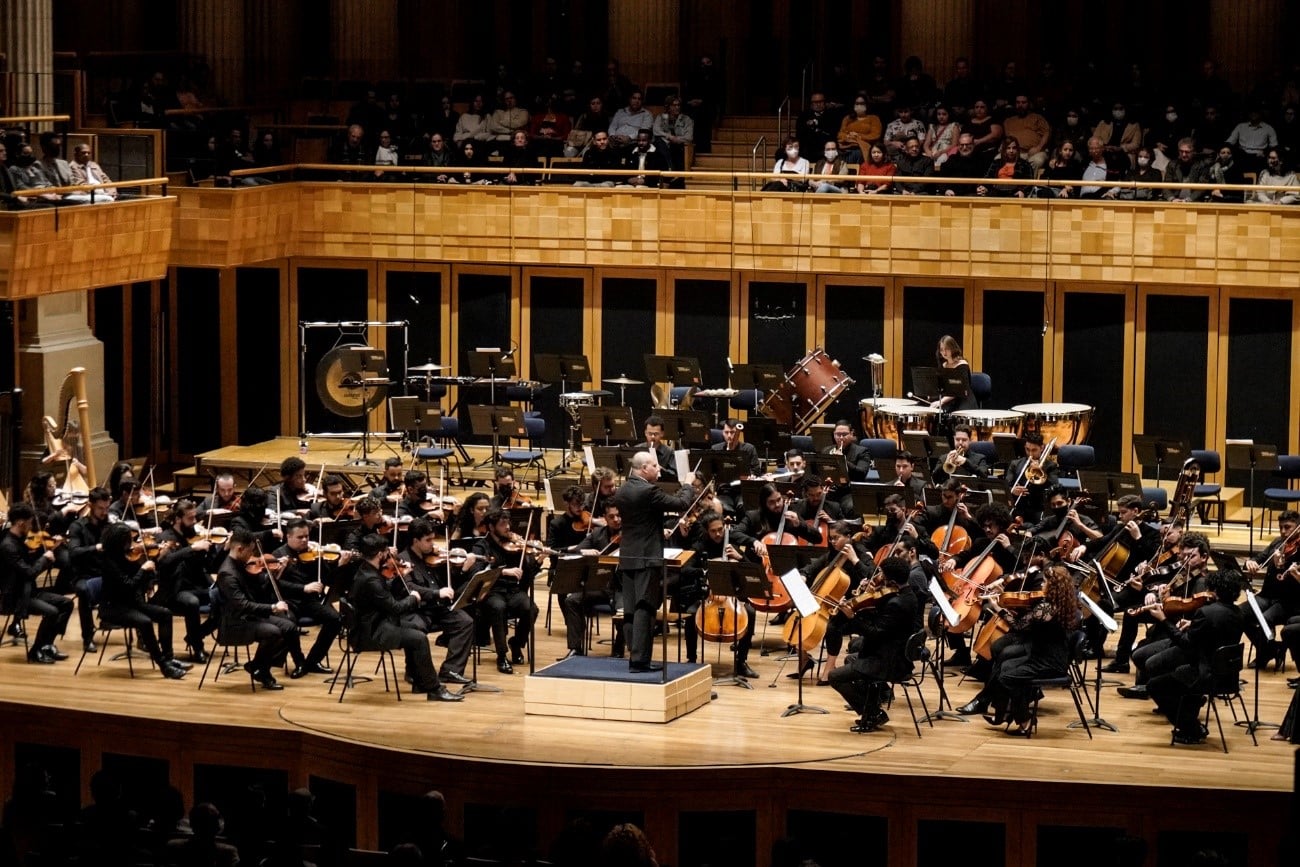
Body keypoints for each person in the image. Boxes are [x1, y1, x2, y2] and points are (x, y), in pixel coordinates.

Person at [347, 533, 463, 702]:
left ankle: (419, 682)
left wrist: (398, 578)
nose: (389, 555)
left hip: (373, 623)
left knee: (414, 630)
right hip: (371, 632)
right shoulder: (370, 580)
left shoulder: (366, 570)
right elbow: (395, 608)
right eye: (386, 551)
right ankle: (435, 689)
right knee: (418, 638)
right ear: (380, 554)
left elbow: (383, 592)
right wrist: (414, 598)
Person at [611, 451, 697, 672]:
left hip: (628, 554)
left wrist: (659, 531)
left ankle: (634, 653)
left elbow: (641, 521)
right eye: (655, 467)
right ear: (643, 469)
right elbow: (682, 503)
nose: (659, 470)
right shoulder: (648, 491)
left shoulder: (622, 490)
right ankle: (640, 661)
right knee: (645, 607)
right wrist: (687, 483)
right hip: (647, 558)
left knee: (630, 608)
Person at [981, 563, 1080, 736]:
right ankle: (1010, 712)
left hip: (1047, 662)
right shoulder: (1062, 605)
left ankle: (1024, 720)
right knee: (1005, 666)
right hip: (1050, 656)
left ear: (1053, 586)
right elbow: (1030, 623)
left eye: (1045, 582)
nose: (1042, 585)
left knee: (1006, 676)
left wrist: (998, 609)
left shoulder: (1046, 608)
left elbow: (1019, 627)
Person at [1147, 571, 1245, 744]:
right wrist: (1194, 625)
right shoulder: (1238, 612)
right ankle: (1192, 713)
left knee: (1155, 685)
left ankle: (1191, 728)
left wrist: (1164, 620)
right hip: (1228, 675)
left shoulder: (1205, 612)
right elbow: (1216, 631)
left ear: (1215, 591)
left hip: (1205, 675)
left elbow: (1185, 644)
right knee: (1178, 671)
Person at [829, 555, 919, 733]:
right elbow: (883, 623)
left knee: (834, 677)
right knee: (850, 659)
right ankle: (872, 703)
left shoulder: (897, 603)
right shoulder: (907, 594)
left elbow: (875, 633)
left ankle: (872, 713)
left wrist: (853, 616)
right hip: (894, 652)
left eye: (882, 575)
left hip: (889, 661)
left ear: (891, 580)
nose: (879, 577)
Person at [98, 523, 189, 679]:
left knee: (165, 614)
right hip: (113, 607)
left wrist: (149, 569)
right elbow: (128, 586)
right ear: (120, 542)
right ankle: (163, 665)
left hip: (131, 603)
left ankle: (169, 658)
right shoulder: (109, 562)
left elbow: (138, 581)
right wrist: (142, 570)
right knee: (145, 622)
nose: (133, 544)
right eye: (129, 541)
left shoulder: (127, 555)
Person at [462, 508, 540, 673]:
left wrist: (535, 560)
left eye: (508, 522)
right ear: (491, 527)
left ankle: (517, 644)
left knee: (531, 609)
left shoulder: (514, 544)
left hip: (512, 590)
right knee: (498, 608)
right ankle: (502, 655)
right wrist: (503, 571)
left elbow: (526, 573)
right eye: (502, 524)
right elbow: (477, 572)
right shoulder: (481, 546)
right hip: (491, 591)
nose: (508, 527)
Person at [397, 518, 475, 684]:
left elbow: (449, 583)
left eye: (433, 539)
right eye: (428, 540)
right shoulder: (403, 560)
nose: (432, 544)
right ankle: (412, 669)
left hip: (438, 608)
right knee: (415, 629)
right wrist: (436, 593)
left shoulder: (434, 557)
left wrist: (462, 569)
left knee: (465, 622)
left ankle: (451, 671)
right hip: (418, 609)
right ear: (415, 541)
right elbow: (409, 587)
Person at [272, 518, 345, 678]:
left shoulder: (313, 553)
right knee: (289, 625)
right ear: (288, 536)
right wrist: (303, 587)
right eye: (300, 537)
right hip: (288, 601)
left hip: (309, 601)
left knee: (335, 619)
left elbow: (327, 578)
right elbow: (276, 584)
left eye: (306, 536)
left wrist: (337, 564)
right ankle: (299, 662)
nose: (305, 540)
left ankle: (313, 660)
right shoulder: (279, 555)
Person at [0, 503, 72, 664]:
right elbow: (29, 572)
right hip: (16, 597)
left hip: (29, 591)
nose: (32, 525)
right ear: (20, 523)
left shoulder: (20, 540)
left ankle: (47, 645)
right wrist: (44, 558)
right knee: (52, 612)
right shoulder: (8, 546)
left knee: (66, 604)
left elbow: (32, 562)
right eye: (30, 522)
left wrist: (52, 548)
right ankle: (35, 651)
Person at [634, 414, 678, 482]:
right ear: (645, 433)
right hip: (640, 486)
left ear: (662, 433)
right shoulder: (637, 449)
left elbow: (674, 474)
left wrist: (661, 469)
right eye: (650, 433)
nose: (652, 437)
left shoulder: (669, 452)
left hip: (661, 486)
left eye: (656, 434)